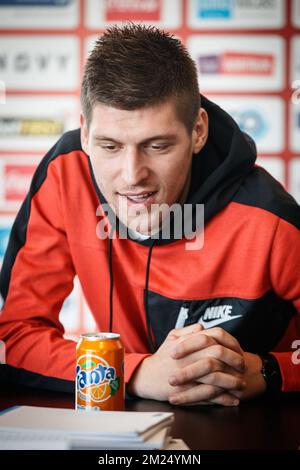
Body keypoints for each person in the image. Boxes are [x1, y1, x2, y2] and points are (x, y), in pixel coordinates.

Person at [0, 24, 299, 407]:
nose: (131, 175)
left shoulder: (270, 216)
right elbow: (14, 337)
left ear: (198, 131)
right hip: (128, 425)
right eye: (109, 146)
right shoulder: (65, 174)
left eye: (157, 146)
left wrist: (269, 371)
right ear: (86, 133)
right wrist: (133, 371)